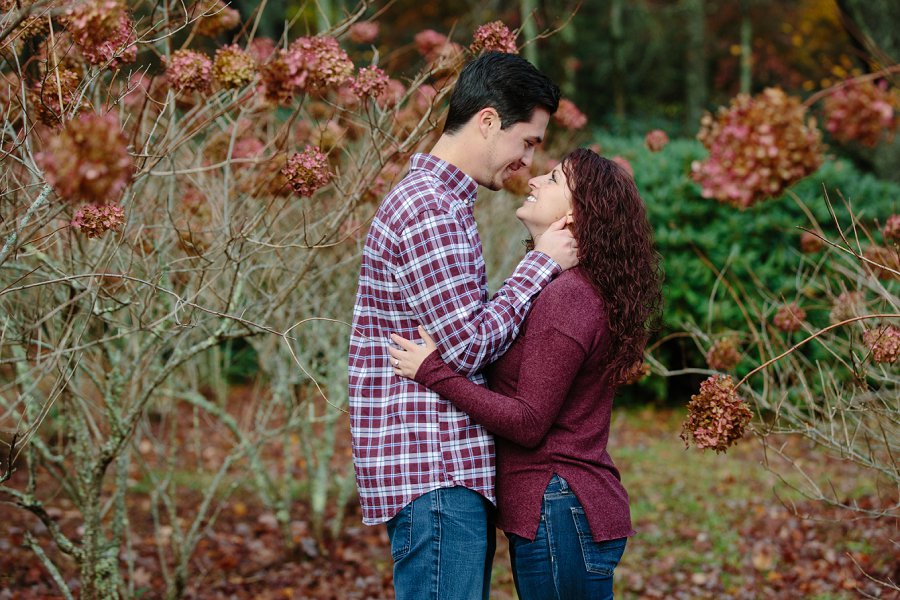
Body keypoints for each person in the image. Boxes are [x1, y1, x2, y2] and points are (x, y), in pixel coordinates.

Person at [348, 52, 578, 600]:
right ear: (489, 121)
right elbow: (469, 345)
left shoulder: (442, 203)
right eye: (527, 142)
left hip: (443, 474)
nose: (525, 162)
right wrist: (542, 264)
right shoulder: (430, 208)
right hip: (437, 471)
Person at [388, 148, 664, 600]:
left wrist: (433, 372)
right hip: (557, 509)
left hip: (560, 505)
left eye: (554, 179)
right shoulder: (557, 289)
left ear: (579, 215)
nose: (534, 180)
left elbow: (529, 421)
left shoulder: (567, 299)